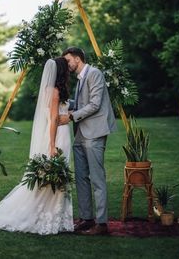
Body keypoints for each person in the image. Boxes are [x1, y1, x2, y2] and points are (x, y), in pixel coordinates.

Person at [0, 58, 74, 235]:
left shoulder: (52, 90)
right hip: (56, 137)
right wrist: (51, 145)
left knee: (58, 176)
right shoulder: (55, 91)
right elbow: (53, 120)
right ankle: (46, 216)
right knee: (54, 175)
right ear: (62, 72)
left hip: (61, 135)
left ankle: (55, 216)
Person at [60, 47, 117, 235]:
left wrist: (71, 116)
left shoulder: (95, 74)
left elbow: (94, 104)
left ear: (77, 58)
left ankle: (101, 224)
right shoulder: (80, 78)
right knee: (81, 177)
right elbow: (81, 104)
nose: (67, 64)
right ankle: (86, 219)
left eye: (68, 60)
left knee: (97, 178)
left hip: (94, 132)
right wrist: (61, 105)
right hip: (80, 134)